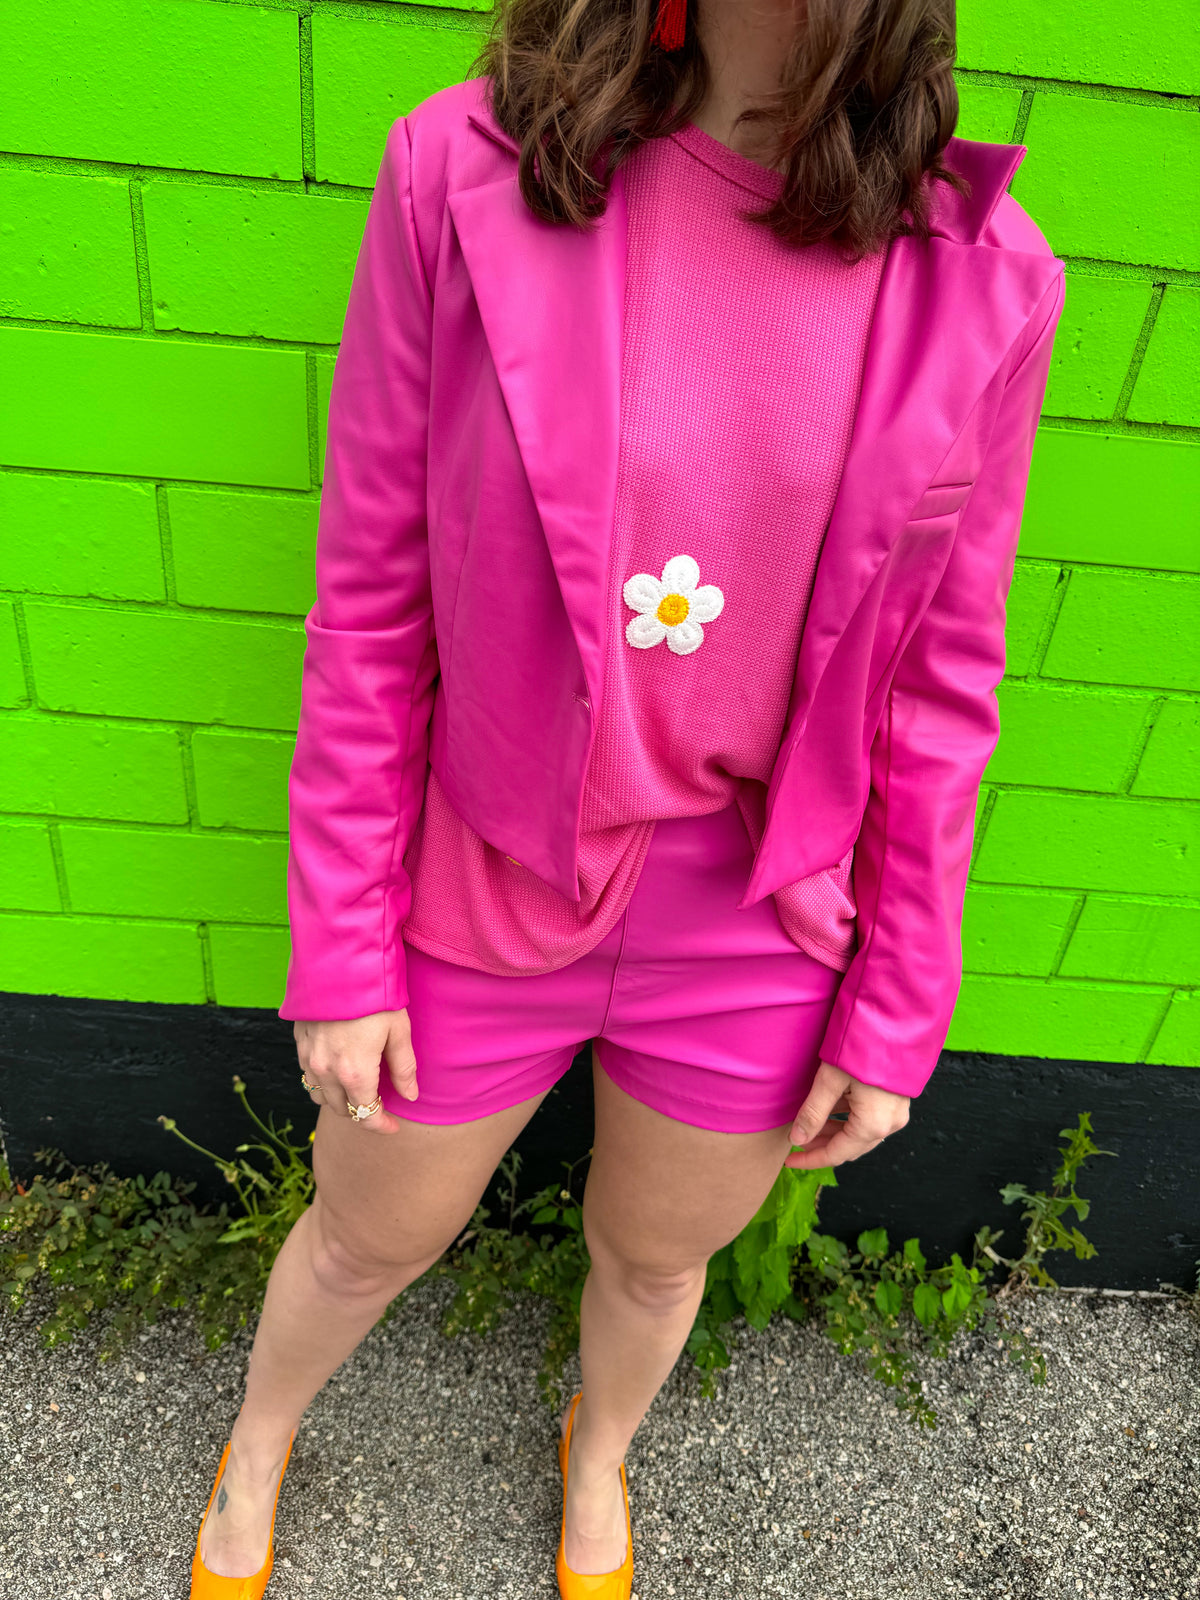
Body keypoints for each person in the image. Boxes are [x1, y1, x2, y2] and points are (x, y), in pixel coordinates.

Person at [189, 0, 1066, 1594]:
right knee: (370, 1233)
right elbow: (372, 595)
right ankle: (257, 1438)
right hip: (487, 863)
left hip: (757, 908)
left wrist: (897, 1003)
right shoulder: (464, 169)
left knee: (657, 1263)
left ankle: (597, 1456)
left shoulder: (981, 273)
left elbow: (943, 680)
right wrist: (343, 944)